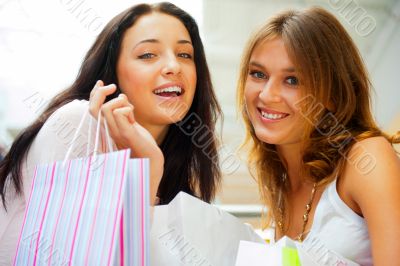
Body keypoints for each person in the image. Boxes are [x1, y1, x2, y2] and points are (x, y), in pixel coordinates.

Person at [0, 2, 221, 264]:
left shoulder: (181, 157)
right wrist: (148, 166)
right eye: (148, 55)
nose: (174, 66)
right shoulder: (79, 124)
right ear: (112, 70)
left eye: (185, 54)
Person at [237, 7, 400, 265]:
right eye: (258, 74)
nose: (267, 95)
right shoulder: (281, 175)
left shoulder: (367, 158)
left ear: (334, 94)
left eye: (292, 80)